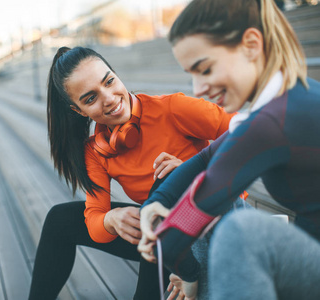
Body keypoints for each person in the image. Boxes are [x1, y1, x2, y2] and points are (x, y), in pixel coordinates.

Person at [138, 0, 320, 299]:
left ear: (250, 44)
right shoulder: (288, 101)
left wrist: (188, 273)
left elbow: (173, 241)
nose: (197, 88)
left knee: (241, 231)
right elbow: (206, 158)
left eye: (205, 69)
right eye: (191, 74)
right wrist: (158, 201)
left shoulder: (271, 123)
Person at [28, 46, 236, 300]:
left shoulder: (172, 109)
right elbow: (95, 221)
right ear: (79, 111)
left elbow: (249, 136)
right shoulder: (96, 151)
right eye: (90, 98)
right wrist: (111, 219)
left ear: (116, 74)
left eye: (109, 81)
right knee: (59, 219)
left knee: (165, 180)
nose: (109, 98)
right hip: (160, 237)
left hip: (212, 227)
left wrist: (191, 172)